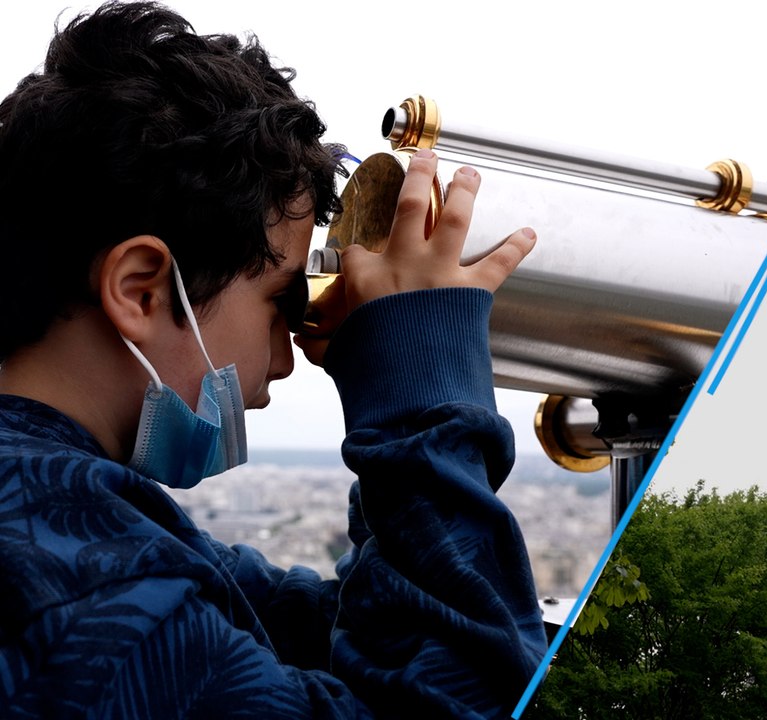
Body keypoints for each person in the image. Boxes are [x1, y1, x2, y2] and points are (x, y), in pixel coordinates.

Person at [0, 2, 547, 717]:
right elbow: (471, 698)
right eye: (280, 304)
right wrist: (422, 396)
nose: (287, 362)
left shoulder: (73, 528)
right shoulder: (83, 593)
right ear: (141, 289)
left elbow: (336, 635)